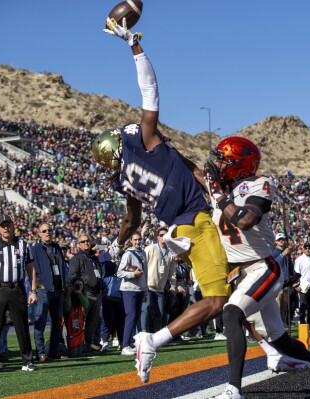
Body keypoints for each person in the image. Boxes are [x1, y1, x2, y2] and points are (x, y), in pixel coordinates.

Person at [97, 18, 230, 383]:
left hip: (180, 229)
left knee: (240, 286)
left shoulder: (124, 181)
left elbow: (132, 222)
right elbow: (150, 89)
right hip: (196, 224)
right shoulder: (146, 142)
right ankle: (152, 342)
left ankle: (273, 348)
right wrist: (134, 46)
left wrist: (119, 241)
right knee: (218, 300)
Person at [204, 137, 310, 399]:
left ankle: (233, 389)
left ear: (239, 165)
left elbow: (246, 220)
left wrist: (220, 197)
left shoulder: (259, 184)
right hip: (242, 273)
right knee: (279, 339)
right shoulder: (220, 189)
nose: (218, 165)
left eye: (224, 161)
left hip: (263, 268)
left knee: (232, 313)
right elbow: (192, 170)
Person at [0, 214, 38, 372]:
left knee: (22, 326)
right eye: (3, 225)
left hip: (17, 289)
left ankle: (27, 360)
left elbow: (31, 270)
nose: (6, 228)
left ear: (13, 226)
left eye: (8, 224)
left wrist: (33, 291)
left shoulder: (24, 245)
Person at [30, 222, 67, 362]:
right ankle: (40, 353)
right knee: (40, 322)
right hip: (43, 291)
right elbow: (32, 270)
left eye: (49, 230)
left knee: (57, 323)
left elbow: (62, 266)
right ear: (39, 234)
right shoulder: (36, 249)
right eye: (44, 231)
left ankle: (53, 351)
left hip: (58, 290)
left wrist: (64, 284)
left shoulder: (57, 247)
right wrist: (38, 286)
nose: (47, 232)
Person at [68, 234, 104, 353]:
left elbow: (104, 248)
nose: (86, 243)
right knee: (82, 320)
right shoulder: (77, 258)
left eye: (87, 241)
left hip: (97, 293)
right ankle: (80, 343)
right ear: (79, 244)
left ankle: (88, 343)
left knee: (93, 321)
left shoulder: (93, 257)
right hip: (86, 293)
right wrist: (80, 289)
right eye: (83, 242)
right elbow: (73, 276)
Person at [118, 233, 147, 355]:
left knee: (135, 317)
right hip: (129, 289)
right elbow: (119, 272)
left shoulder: (143, 253)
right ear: (131, 240)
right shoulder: (128, 254)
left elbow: (146, 273)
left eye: (139, 239)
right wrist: (132, 274)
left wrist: (145, 289)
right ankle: (124, 345)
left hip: (140, 289)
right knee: (131, 315)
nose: (137, 242)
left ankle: (130, 343)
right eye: (135, 239)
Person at [143, 226, 176, 333]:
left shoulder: (170, 253)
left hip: (160, 288)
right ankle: (144, 333)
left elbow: (172, 273)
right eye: (161, 235)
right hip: (148, 285)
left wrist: (173, 285)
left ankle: (156, 335)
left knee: (160, 312)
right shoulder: (150, 248)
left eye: (165, 235)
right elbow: (142, 265)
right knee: (146, 310)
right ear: (157, 237)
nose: (163, 237)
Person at [294, 243, 310, 330]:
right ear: (303, 249)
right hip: (303, 285)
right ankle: (302, 323)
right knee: (303, 305)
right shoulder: (299, 260)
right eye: (306, 248)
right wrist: (297, 284)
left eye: (309, 248)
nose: (308, 249)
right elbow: (297, 273)